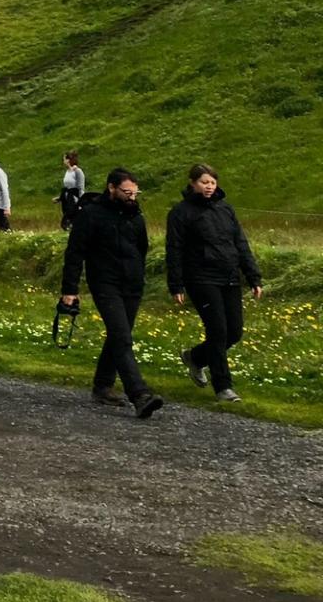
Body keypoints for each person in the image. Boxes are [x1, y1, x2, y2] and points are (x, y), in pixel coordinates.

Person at [61, 168, 162, 417]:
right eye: (126, 192)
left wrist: (139, 276)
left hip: (132, 284)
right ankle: (139, 394)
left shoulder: (136, 217)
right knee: (122, 336)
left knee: (120, 335)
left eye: (135, 192)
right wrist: (69, 290)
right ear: (111, 188)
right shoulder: (91, 215)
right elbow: (75, 253)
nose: (131, 197)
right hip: (105, 283)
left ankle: (102, 385)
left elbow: (142, 248)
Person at [167, 164, 262, 404]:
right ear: (192, 183)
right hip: (201, 278)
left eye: (212, 182)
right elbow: (174, 249)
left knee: (234, 332)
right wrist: (176, 285)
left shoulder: (226, 209)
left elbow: (240, 243)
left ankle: (196, 358)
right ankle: (223, 387)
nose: (208, 187)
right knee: (218, 331)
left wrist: (253, 277)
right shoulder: (181, 212)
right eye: (203, 182)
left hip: (229, 276)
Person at [57, 152, 86, 230]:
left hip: (74, 198)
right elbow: (67, 186)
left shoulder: (78, 171)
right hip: (67, 198)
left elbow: (81, 187)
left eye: (64, 159)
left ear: (68, 160)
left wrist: (81, 201)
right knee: (67, 215)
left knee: (73, 215)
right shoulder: (67, 172)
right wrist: (59, 198)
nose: (63, 161)